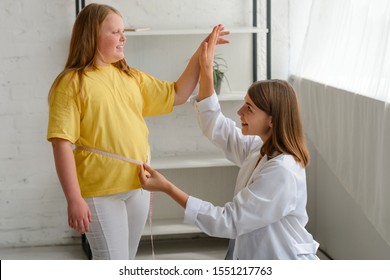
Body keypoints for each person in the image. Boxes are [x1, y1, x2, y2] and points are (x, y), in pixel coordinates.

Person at [46, 3, 229, 260]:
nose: (123, 37)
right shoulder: (72, 83)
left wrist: (202, 54)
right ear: (91, 36)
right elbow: (61, 143)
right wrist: (74, 198)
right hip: (100, 191)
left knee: (128, 261)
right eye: (115, 32)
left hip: (139, 186)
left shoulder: (131, 76)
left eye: (123, 31)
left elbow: (177, 94)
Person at [139, 27, 320, 260]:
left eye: (249, 108)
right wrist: (205, 70)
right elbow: (215, 124)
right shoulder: (260, 148)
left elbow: (228, 221)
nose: (239, 111)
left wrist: (167, 188)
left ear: (272, 120)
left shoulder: (282, 171)